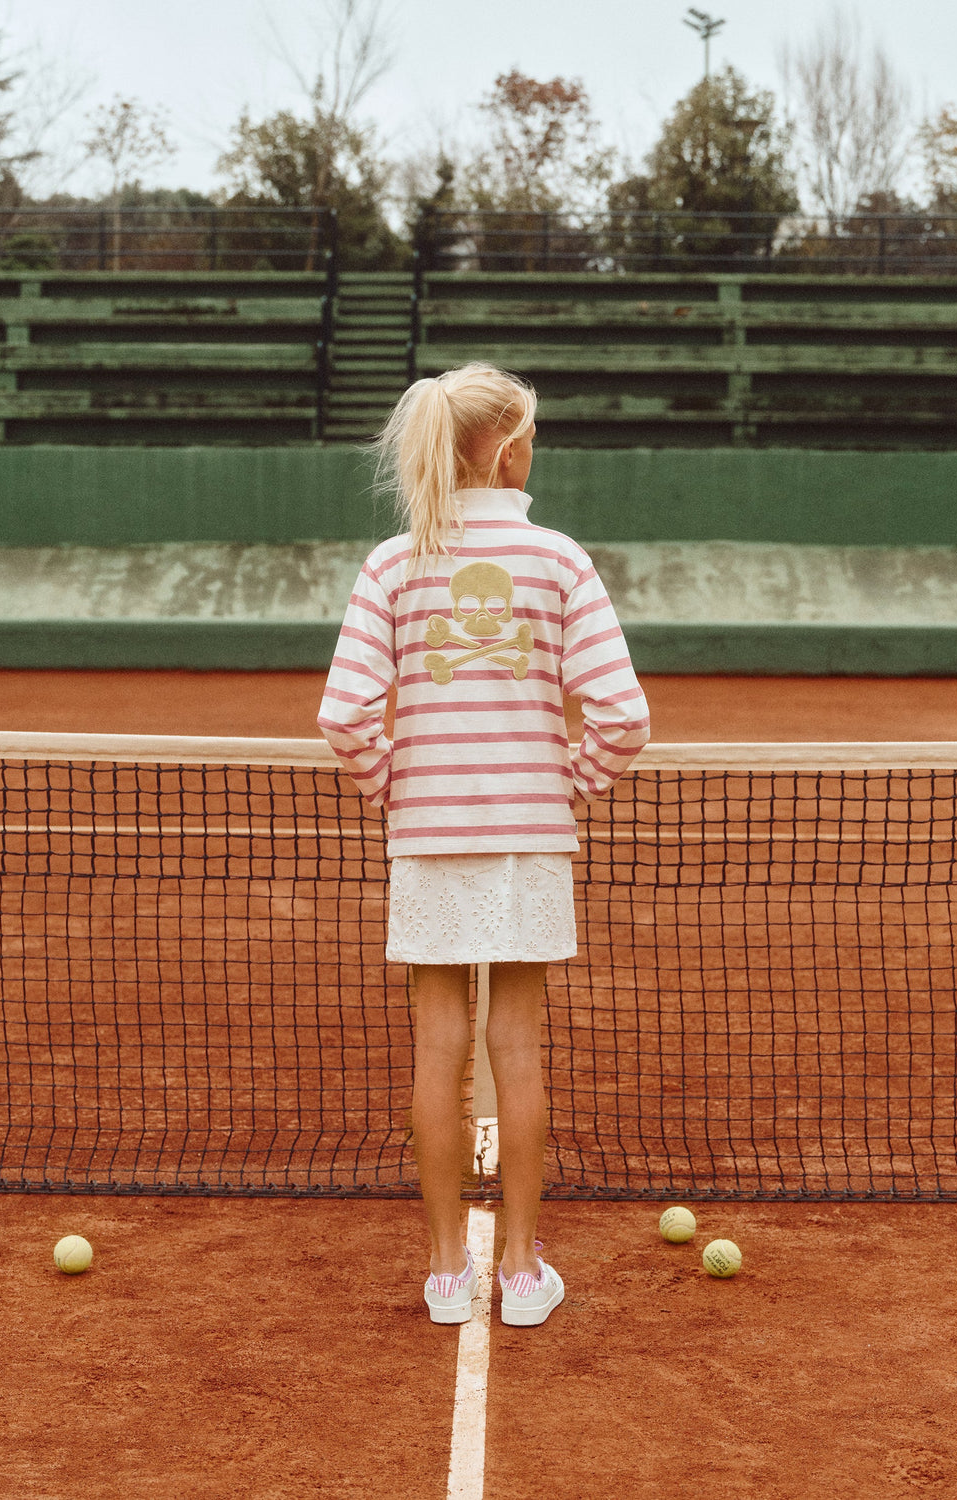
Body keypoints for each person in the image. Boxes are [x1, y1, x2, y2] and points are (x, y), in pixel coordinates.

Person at [318, 363, 649, 1326]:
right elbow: (623, 716)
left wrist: (398, 790)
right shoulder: (561, 560)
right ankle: (522, 1270)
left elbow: (345, 716)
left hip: (427, 836)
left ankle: (444, 1273)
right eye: (530, 435)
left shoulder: (392, 563)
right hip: (528, 836)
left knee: (438, 1048)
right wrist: (566, 785)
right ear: (508, 451)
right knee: (517, 1047)